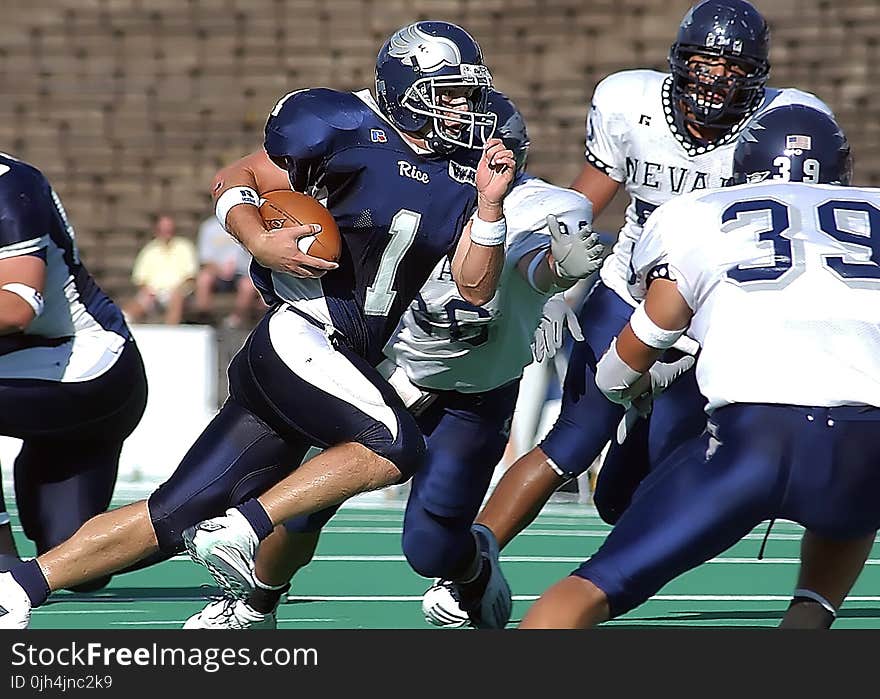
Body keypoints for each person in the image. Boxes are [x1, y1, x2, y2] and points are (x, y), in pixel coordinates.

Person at [0, 19, 518, 629]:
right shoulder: (340, 123)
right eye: (448, 92)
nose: (465, 108)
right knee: (394, 445)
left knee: (172, 515)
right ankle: (244, 530)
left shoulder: (477, 158)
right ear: (404, 86)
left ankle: (19, 587)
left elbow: (473, 285)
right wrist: (260, 243)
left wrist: (489, 207)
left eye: (469, 92)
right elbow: (236, 179)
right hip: (301, 330)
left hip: (345, 353)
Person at [430, 0, 839, 625]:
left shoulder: (787, 125)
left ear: (755, 76)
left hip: (709, 322)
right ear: (678, 60)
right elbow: (583, 202)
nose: (713, 80)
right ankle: (467, 570)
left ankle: (631, 449)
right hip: (628, 294)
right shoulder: (629, 104)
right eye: (703, 63)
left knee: (626, 499)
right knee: (570, 440)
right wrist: (544, 281)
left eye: (731, 69)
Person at [181, 91, 605, 630]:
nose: (463, 153)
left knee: (429, 546)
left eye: (478, 144)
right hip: (396, 369)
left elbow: (524, 268)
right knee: (310, 503)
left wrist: (556, 272)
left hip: (474, 390)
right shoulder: (416, 182)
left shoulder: (535, 205)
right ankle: (256, 605)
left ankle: (472, 570)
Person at [520, 104, 880, 628]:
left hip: (754, 438)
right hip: (868, 441)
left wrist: (628, 388)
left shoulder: (697, 212)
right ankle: (811, 616)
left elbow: (639, 345)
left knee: (592, 589)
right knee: (852, 500)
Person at [0, 153, 148, 592]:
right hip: (34, 371)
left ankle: (3, 566)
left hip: (91, 369)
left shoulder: (10, 183)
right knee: (75, 559)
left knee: (75, 560)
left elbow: (18, 306)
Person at [124, 215, 198, 325]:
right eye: (163, 229)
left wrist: (177, 290)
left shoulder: (184, 247)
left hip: (179, 291)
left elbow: (191, 277)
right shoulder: (149, 250)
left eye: (169, 228)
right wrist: (148, 290)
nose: (167, 232)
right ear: (157, 230)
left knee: (176, 298)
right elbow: (140, 279)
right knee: (136, 304)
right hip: (154, 292)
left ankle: (170, 333)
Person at [192, 214, 263, 328]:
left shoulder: (246, 226)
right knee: (204, 279)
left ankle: (236, 320)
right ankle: (204, 318)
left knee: (248, 286)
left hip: (241, 272)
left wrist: (236, 266)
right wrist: (220, 269)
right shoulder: (208, 227)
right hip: (216, 272)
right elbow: (205, 259)